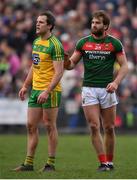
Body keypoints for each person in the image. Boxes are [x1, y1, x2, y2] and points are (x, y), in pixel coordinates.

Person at [64, 10, 128, 171]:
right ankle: (103, 162)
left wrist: (116, 82)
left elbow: (125, 66)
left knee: (109, 128)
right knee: (93, 126)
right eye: (93, 22)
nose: (94, 25)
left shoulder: (115, 43)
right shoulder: (83, 42)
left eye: (97, 23)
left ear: (105, 26)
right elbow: (71, 65)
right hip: (89, 89)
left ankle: (110, 162)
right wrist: (65, 60)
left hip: (108, 89)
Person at [13, 11, 64, 172]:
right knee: (30, 125)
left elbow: (59, 72)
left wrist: (47, 91)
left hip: (51, 91)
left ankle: (50, 163)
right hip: (35, 90)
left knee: (49, 125)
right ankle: (28, 164)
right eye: (37, 21)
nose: (37, 24)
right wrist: (25, 86)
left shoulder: (55, 45)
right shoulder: (36, 42)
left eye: (41, 22)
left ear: (49, 26)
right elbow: (34, 68)